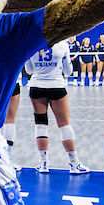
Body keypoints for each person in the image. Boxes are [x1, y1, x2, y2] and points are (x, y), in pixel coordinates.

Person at [25, 41, 87, 174]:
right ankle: (74, 163)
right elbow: (68, 71)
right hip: (56, 87)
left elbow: (29, 70)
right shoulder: (62, 45)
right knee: (64, 125)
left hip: (37, 86)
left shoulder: (32, 43)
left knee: (40, 124)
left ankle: (43, 163)